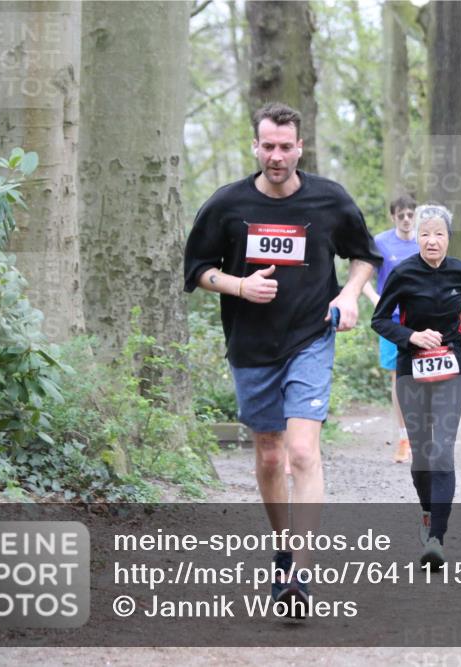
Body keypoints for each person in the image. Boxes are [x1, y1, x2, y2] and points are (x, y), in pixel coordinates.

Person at [183, 102, 382, 617]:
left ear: (300, 147)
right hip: (251, 346)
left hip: (311, 337)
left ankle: (301, 572)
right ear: (255, 147)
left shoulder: (329, 200)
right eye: (267, 146)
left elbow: (364, 257)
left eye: (285, 147)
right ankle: (284, 548)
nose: (277, 156)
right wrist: (238, 285)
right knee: (269, 455)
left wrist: (349, 295)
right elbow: (198, 269)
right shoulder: (227, 205)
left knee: (301, 452)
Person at [371, 204, 461, 570]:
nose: (431, 240)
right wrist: (412, 336)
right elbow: (380, 320)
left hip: (452, 368)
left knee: (441, 451)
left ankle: (437, 538)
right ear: (417, 238)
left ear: (448, 238)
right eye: (425, 234)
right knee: (422, 455)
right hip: (412, 370)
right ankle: (427, 512)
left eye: (438, 234)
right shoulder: (403, 273)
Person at [363, 195, 418, 462]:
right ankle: (404, 438)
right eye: (401, 215)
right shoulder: (381, 242)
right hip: (393, 320)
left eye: (410, 214)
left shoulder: (426, 240)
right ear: (393, 217)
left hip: (424, 318)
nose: (406, 219)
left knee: (425, 378)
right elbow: (361, 277)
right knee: (400, 378)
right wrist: (377, 301)